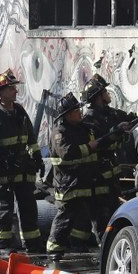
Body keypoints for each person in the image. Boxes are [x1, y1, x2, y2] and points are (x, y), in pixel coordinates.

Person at [80, 74, 138, 242]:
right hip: (97, 175)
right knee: (102, 214)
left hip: (111, 172)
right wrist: (114, 132)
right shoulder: (88, 120)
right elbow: (96, 144)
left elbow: (131, 118)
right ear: (99, 97)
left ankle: (112, 242)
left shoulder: (111, 113)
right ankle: (103, 245)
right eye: (105, 92)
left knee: (114, 209)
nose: (108, 94)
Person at [0, 68, 45, 254]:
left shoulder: (20, 111)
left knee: (28, 206)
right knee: (4, 208)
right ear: (1, 93)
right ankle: (2, 246)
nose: (16, 91)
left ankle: (32, 244)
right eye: (11, 89)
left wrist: (37, 156)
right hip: (3, 170)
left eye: (15, 88)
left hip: (23, 168)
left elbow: (31, 137)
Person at [46, 92, 104, 260]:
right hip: (67, 184)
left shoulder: (83, 128)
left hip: (83, 182)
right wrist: (89, 146)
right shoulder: (59, 133)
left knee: (84, 217)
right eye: (76, 110)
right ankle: (54, 249)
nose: (80, 112)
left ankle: (78, 245)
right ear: (68, 115)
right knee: (65, 217)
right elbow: (67, 153)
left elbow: (98, 140)